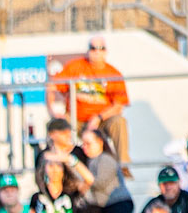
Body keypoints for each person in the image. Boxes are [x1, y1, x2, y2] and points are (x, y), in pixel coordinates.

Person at [47, 34, 132, 176]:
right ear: (88, 50)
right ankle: (56, 165)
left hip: (101, 121)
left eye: (101, 48)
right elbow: (51, 86)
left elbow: (119, 106)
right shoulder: (76, 66)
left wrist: (99, 117)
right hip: (76, 119)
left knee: (119, 122)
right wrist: (52, 110)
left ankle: (123, 166)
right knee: (58, 125)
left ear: (106, 51)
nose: (97, 52)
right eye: (93, 48)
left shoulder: (113, 73)